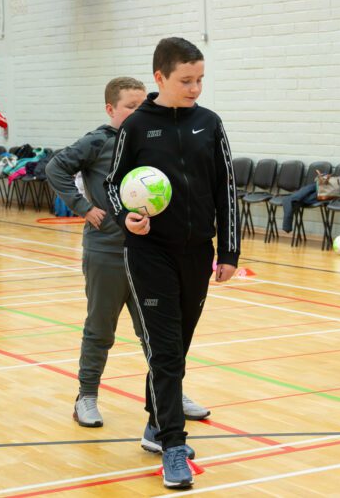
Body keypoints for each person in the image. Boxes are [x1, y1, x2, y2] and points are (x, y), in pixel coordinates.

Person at [105, 37, 240, 489]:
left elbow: (227, 189)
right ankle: (172, 445)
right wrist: (128, 218)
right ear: (160, 78)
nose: (195, 88)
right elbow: (112, 184)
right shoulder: (138, 126)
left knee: (176, 347)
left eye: (200, 79)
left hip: (198, 251)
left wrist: (230, 252)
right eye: (186, 80)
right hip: (150, 252)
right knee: (164, 351)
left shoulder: (210, 123)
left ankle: (154, 424)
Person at [47, 77, 211, 429]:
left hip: (149, 253)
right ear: (111, 109)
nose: (139, 112)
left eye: (143, 105)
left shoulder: (151, 140)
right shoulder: (97, 141)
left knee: (161, 331)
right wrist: (84, 207)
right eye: (130, 107)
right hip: (106, 252)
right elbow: (55, 167)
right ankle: (86, 397)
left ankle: (170, 394)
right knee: (100, 328)